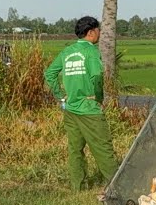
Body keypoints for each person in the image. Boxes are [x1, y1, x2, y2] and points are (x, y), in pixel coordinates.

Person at [44, 16, 118, 191]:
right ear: (91, 32)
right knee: (103, 148)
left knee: (75, 150)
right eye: (98, 30)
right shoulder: (91, 51)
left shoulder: (67, 52)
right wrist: (99, 99)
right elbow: (97, 76)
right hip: (89, 108)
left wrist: (61, 97)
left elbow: (49, 74)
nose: (100, 33)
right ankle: (118, 186)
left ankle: (78, 186)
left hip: (70, 109)